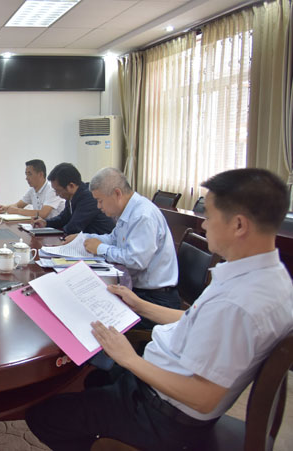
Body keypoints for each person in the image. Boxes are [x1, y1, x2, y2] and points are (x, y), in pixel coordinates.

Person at [26, 168, 293, 450]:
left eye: (210, 216)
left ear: (239, 225)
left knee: (44, 416)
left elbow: (204, 398)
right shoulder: (270, 279)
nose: (204, 225)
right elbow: (195, 318)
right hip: (161, 378)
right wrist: (140, 305)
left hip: (162, 412)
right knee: (93, 378)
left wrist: (130, 358)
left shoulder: (237, 303)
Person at [66, 167, 179, 326]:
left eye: (100, 200)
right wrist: (84, 238)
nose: (98, 206)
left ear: (117, 193)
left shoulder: (143, 216)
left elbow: (136, 260)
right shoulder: (128, 211)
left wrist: (100, 248)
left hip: (156, 300)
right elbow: (113, 239)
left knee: (93, 318)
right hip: (138, 292)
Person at [32, 163, 114, 235]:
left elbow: (74, 228)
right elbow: (63, 218)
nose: (56, 194)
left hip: (100, 244)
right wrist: (46, 223)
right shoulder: (72, 196)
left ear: (71, 186)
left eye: (58, 190)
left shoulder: (89, 197)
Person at [0, 159, 64, 220]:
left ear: (40, 174)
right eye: (26, 175)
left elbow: (43, 214)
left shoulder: (52, 189)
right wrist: (5, 208)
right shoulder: (32, 190)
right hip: (42, 225)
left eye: (30, 174)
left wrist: (17, 211)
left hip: (56, 227)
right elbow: (18, 205)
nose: (27, 178)